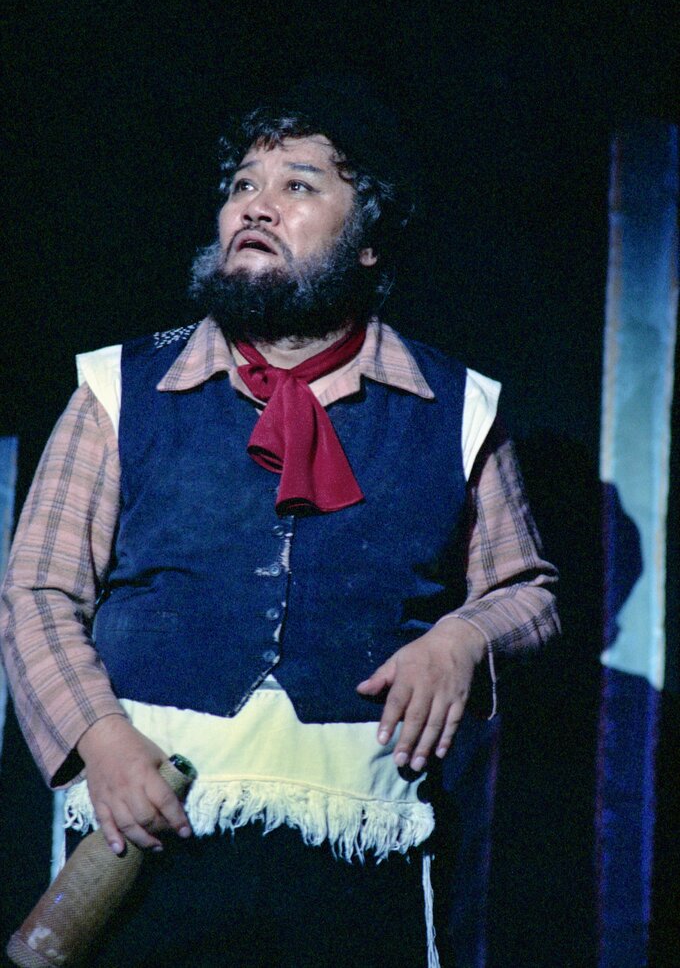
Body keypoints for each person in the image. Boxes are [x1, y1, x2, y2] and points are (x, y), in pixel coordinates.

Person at [0, 84, 559, 967]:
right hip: (141, 825)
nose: (254, 206)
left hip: (360, 845)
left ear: (368, 240)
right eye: (241, 186)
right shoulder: (116, 390)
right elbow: (37, 591)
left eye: (298, 185)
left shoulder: (459, 408)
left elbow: (526, 592)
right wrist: (99, 740)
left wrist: (462, 640)